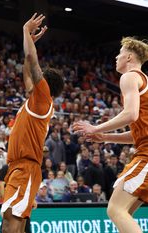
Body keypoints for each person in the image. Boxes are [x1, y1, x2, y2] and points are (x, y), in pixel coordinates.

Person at [74, 37, 148, 233]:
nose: (116, 57)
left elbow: (130, 114)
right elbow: (136, 135)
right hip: (144, 148)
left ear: (129, 56)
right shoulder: (143, 81)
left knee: (115, 209)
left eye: (120, 53)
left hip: (147, 154)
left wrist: (96, 129)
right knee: (124, 213)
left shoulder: (130, 76)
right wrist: (106, 138)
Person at [1, 13, 64, 233]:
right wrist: (30, 46)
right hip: (18, 166)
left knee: (13, 220)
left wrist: (26, 32)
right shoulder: (36, 101)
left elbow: (32, 61)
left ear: (46, 85)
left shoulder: (43, 99)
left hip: (26, 166)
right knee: (10, 221)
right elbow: (28, 70)